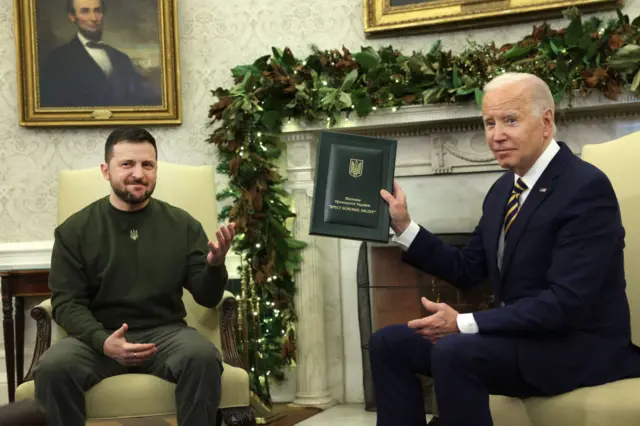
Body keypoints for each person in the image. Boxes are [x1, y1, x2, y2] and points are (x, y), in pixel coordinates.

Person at [372, 72, 640, 426]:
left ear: (546, 122)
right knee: (389, 343)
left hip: (576, 346)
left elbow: (565, 304)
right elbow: (468, 268)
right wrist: (404, 227)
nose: (496, 136)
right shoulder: (503, 190)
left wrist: (464, 323)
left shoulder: (586, 188)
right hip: (518, 339)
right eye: (489, 123)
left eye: (510, 120)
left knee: (455, 350)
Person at [33, 127, 235, 426]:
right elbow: (67, 303)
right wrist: (103, 341)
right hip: (97, 338)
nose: (138, 174)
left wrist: (215, 264)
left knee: (202, 357)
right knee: (53, 367)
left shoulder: (182, 224)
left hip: (165, 334)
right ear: (106, 170)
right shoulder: (74, 230)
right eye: (127, 164)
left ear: (156, 169)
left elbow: (207, 296)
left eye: (147, 165)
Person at [39, 0, 161, 107]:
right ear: (72, 17)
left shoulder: (121, 58)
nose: (94, 18)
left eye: (97, 11)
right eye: (85, 11)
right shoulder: (57, 60)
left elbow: (139, 100)